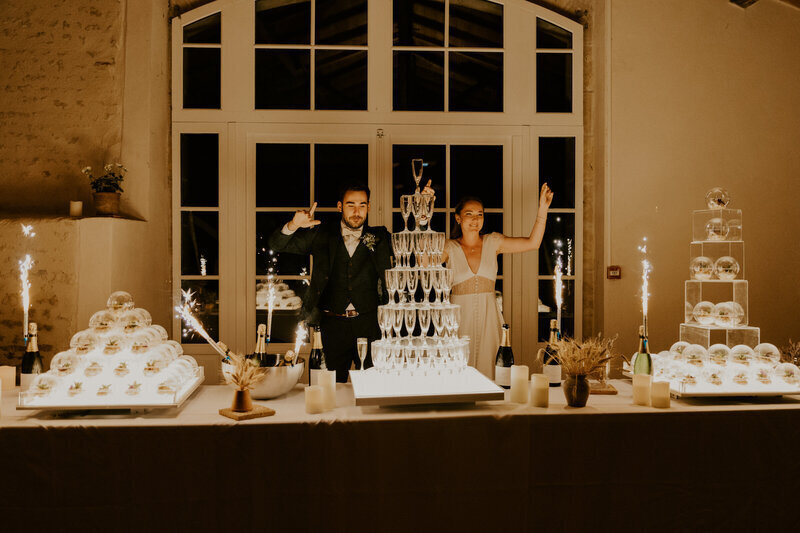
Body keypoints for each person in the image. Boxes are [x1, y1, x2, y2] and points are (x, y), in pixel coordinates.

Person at [268, 182, 392, 383]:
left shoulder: (379, 237)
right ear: (340, 206)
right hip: (331, 325)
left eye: (362, 205)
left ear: (369, 207)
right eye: (350, 204)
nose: (356, 211)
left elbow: (413, 245)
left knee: (373, 388)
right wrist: (294, 225)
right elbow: (276, 244)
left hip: (370, 326)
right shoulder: (321, 234)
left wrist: (423, 211)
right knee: (326, 390)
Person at [441, 183, 554, 378]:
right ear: (458, 218)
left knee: (492, 369)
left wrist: (542, 210)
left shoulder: (493, 242)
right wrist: (423, 211)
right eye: (469, 214)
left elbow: (533, 243)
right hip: (457, 319)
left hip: (489, 316)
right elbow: (420, 262)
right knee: (457, 369)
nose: (475, 219)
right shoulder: (448, 247)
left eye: (480, 214)